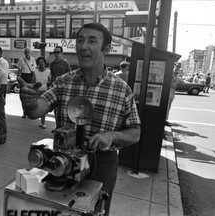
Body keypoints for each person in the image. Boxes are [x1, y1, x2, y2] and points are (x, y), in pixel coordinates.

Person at [18, 23, 141, 216]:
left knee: (97, 210)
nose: (83, 46)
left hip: (103, 163)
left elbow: (135, 133)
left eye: (92, 41)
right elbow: (36, 110)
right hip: (63, 161)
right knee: (58, 208)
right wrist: (29, 101)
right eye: (80, 40)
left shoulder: (122, 89)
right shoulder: (63, 82)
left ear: (106, 49)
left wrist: (111, 136)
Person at [17, 47, 36, 118]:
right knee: (23, 96)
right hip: (23, 77)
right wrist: (18, 81)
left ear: (30, 53)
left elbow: (34, 71)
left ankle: (29, 111)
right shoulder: (21, 59)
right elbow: (19, 71)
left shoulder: (33, 59)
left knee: (30, 95)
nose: (27, 53)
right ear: (24, 53)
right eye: (26, 52)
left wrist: (34, 80)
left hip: (30, 77)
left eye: (28, 52)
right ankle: (24, 112)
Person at [34, 56, 51, 129]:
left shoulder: (48, 71)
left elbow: (50, 82)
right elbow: (33, 82)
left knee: (43, 107)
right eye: (39, 62)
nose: (41, 64)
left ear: (45, 63)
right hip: (37, 91)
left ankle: (43, 122)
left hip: (45, 92)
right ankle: (42, 121)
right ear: (38, 64)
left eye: (42, 62)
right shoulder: (35, 72)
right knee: (39, 107)